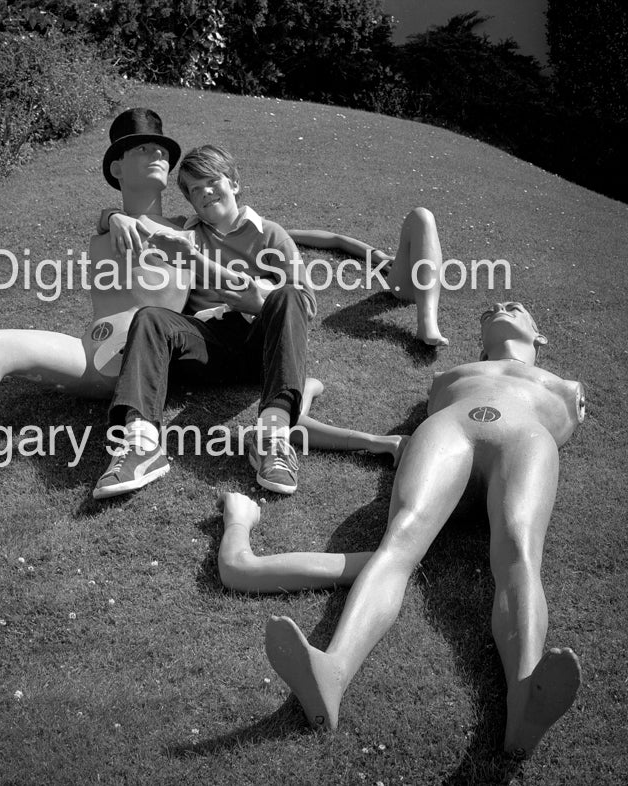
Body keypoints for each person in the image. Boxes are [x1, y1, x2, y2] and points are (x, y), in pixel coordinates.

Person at [217, 302, 584, 759]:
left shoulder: (568, 389)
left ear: (539, 334)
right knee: (398, 543)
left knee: (518, 547)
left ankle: (526, 694)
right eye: (488, 309)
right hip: (449, 432)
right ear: (480, 338)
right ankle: (331, 670)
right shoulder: (452, 376)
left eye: (514, 307)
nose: (499, 307)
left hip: (525, 438)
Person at [0, 108, 196, 520]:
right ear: (116, 166)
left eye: (161, 147)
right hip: (90, 356)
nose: (156, 153)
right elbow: (104, 219)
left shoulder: (188, 231)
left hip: (142, 362)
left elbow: (239, 239)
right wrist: (115, 216)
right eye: (141, 148)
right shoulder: (106, 232)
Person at [92, 145, 319, 499]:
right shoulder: (186, 233)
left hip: (261, 346)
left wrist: (258, 302)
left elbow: (305, 304)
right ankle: (141, 444)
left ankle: (272, 439)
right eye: (194, 190)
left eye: (212, 182)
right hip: (206, 342)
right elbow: (129, 220)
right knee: (150, 318)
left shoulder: (271, 235)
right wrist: (112, 217)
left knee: (287, 294)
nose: (204, 193)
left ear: (235, 183)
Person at [288, 210, 448, 347]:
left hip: (412, 280)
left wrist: (378, 256)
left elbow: (336, 239)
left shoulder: (270, 232)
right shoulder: (269, 237)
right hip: (404, 286)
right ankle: (427, 324)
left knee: (422, 216)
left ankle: (428, 323)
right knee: (420, 216)